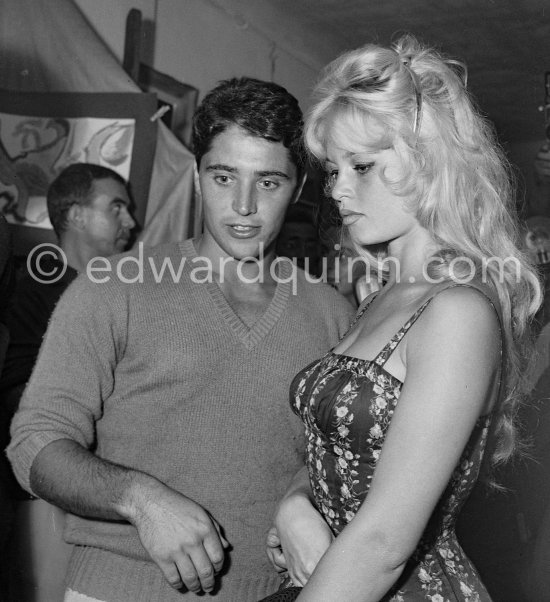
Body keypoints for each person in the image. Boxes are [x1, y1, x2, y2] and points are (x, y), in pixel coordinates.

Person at [7, 77, 354, 602]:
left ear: (299, 188)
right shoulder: (112, 287)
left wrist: (302, 498)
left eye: (267, 182)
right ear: (196, 177)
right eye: (223, 177)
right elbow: (34, 442)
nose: (242, 205)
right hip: (117, 591)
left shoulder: (332, 313)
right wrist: (139, 498)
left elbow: (336, 458)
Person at [264, 35, 542, 601]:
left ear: (427, 161)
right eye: (333, 168)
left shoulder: (458, 311)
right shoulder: (379, 298)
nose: (337, 189)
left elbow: (387, 541)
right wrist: (295, 505)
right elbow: (341, 443)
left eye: (360, 165)